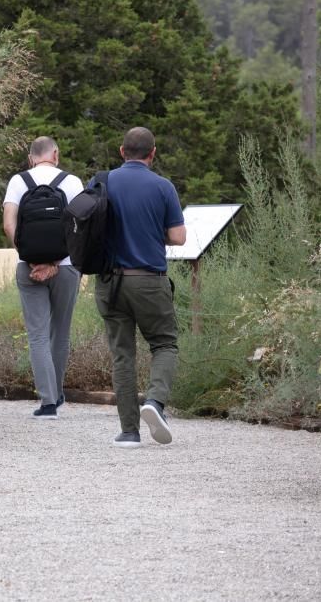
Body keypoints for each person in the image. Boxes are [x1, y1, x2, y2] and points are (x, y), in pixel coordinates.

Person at [94, 127, 186, 448]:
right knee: (164, 344)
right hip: (148, 280)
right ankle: (155, 402)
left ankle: (129, 432)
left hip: (109, 283)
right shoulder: (163, 187)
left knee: (123, 355)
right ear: (153, 153)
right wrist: (150, 232)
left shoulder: (101, 181)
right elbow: (178, 237)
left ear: (122, 151)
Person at [3, 136, 84, 419]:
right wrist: (55, 262)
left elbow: (8, 224)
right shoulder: (72, 182)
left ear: (31, 159)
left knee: (37, 336)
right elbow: (79, 228)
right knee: (59, 334)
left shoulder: (18, 181)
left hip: (28, 268)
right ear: (56, 154)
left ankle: (48, 403)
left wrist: (32, 258)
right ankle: (58, 394)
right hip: (67, 267)